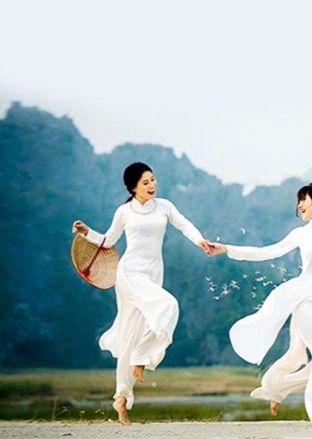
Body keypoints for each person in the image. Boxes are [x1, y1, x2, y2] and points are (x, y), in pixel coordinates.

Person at [207, 182, 312, 427]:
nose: (299, 205)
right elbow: (266, 252)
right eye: (298, 201)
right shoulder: (301, 234)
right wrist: (226, 249)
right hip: (305, 298)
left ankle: (276, 387)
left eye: (303, 199)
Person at [72, 162, 211, 426]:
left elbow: (185, 225)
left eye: (153, 180)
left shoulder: (164, 206)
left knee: (131, 335)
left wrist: (200, 240)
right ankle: (143, 356)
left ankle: (121, 397)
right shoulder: (124, 211)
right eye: (145, 182)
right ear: (133, 187)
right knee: (168, 305)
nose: (152, 185)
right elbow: (109, 241)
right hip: (129, 274)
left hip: (153, 274)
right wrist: (86, 232)